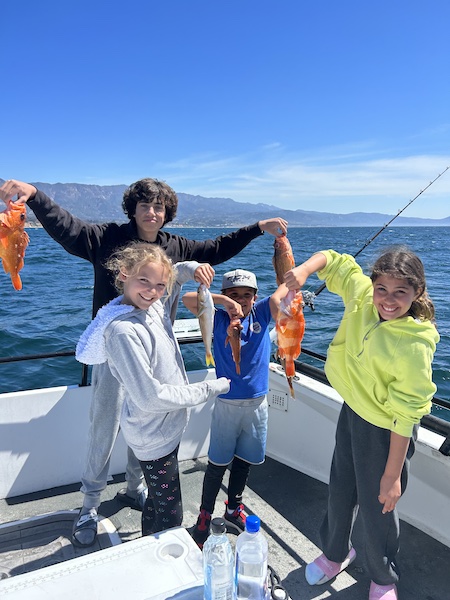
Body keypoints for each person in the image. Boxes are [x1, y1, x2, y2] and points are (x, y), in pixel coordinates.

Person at [0, 178, 287, 546]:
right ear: (132, 210)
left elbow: (216, 248)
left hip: (154, 355)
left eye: (159, 207)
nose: (152, 212)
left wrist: (259, 228)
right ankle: (89, 506)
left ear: (167, 213)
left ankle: (135, 487)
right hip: (115, 356)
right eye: (145, 205)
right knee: (104, 429)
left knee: (148, 424)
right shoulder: (106, 238)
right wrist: (36, 197)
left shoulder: (175, 245)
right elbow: (67, 227)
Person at [283, 247, 439, 600]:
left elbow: (407, 413)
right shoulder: (362, 296)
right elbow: (336, 261)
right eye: (382, 288)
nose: (388, 300)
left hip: (387, 430)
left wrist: (392, 474)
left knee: (378, 506)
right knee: (340, 491)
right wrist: (303, 271)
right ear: (373, 286)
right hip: (352, 412)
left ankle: (383, 577)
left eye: (401, 292)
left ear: (417, 292)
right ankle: (334, 554)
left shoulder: (415, 344)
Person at [75, 242, 230, 539]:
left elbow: (177, 274)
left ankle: (147, 541)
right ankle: (155, 556)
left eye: (160, 285)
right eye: (143, 280)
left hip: (166, 428)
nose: (152, 291)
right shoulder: (122, 331)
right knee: (171, 516)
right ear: (124, 273)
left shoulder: (153, 305)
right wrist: (211, 388)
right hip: (153, 437)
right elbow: (150, 397)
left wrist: (195, 268)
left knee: (157, 506)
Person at [182, 268, 289, 548]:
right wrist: (224, 303)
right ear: (223, 296)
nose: (240, 300)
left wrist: (291, 272)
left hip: (257, 403)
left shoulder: (261, 313)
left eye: (246, 295)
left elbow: (281, 294)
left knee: (244, 461)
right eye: (233, 295)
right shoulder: (217, 317)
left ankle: (233, 508)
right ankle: (205, 515)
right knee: (217, 464)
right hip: (227, 403)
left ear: (255, 297)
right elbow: (188, 299)